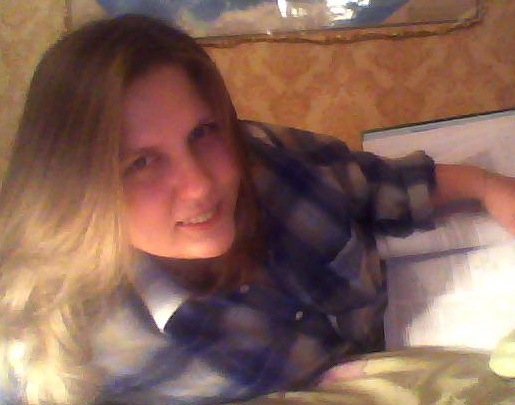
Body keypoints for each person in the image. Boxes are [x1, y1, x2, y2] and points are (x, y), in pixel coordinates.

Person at [0, 14, 514, 405]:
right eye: (141, 163)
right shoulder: (57, 346)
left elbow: (377, 185)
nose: (200, 185)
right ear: (75, 185)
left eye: (202, 133)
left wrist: (486, 186)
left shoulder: (266, 155)